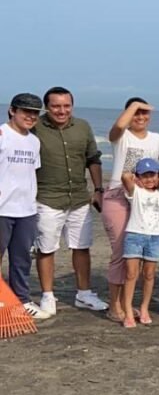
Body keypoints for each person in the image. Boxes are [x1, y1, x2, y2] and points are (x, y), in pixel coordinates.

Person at [32, 86, 108, 315]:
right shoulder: (35, 127)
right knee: (46, 249)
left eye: (66, 105)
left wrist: (98, 189)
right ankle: (47, 296)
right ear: (47, 107)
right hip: (46, 198)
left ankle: (84, 294)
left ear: (72, 106)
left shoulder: (83, 126)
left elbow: (93, 159)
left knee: (82, 247)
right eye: (56, 106)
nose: (61, 110)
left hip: (78, 198)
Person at [101, 98, 159, 323]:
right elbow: (119, 126)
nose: (140, 117)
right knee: (122, 250)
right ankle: (115, 305)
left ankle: (130, 304)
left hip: (145, 199)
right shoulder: (122, 136)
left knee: (140, 258)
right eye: (136, 113)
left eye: (145, 113)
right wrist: (134, 106)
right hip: (118, 196)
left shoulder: (157, 139)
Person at [0, 93, 49, 318]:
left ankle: (21, 300)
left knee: (21, 259)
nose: (30, 116)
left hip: (26, 209)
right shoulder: (2, 135)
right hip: (2, 208)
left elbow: (31, 173)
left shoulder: (34, 140)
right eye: (25, 111)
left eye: (34, 113)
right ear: (12, 111)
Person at [120, 159, 159, 328]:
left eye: (152, 175)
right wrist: (136, 179)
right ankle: (128, 310)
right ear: (138, 177)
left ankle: (144, 308)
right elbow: (125, 176)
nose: (149, 179)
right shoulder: (135, 192)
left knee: (149, 274)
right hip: (135, 234)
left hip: (155, 236)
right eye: (145, 176)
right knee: (131, 274)